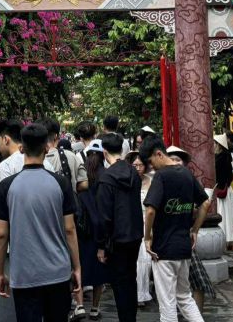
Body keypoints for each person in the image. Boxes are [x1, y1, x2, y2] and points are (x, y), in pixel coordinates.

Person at [0, 123, 82, 322]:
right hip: (58, 272)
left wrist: (0, 273)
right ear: (47, 148)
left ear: (22, 148)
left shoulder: (7, 186)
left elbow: (1, 234)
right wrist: (76, 268)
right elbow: (69, 229)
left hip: (24, 274)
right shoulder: (61, 183)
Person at [0, 119, 55, 322]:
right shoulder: (48, 165)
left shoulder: (6, 167)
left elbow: (1, 218)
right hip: (44, 248)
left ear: (6, 139)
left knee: (5, 301)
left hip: (12, 247)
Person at [140, 136, 210, 322]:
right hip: (183, 248)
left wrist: (147, 238)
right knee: (184, 297)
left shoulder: (161, 176)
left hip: (163, 249)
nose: (151, 167)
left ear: (158, 153)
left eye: (150, 162)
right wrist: (195, 230)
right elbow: (205, 203)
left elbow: (150, 211)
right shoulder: (187, 174)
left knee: (167, 304)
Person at [43, 119, 89, 321]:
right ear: (57, 135)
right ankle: (79, 303)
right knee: (72, 256)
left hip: (46, 217)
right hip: (69, 214)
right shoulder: (71, 156)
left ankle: (52, 300)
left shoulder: (37, 159)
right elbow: (84, 183)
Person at [96, 133, 143, 322]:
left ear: (104, 152)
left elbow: (104, 216)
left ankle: (126, 318)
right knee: (130, 279)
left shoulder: (106, 178)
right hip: (135, 234)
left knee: (120, 282)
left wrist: (101, 245)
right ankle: (130, 316)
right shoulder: (134, 173)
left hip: (117, 238)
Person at [165, 146, 215, 310]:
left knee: (197, 280)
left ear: (184, 163)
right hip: (162, 240)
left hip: (182, 237)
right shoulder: (160, 180)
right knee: (168, 287)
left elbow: (204, 203)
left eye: (177, 160)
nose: (174, 163)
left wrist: (195, 229)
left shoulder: (189, 181)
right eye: (171, 159)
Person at [77, 141, 108, 320]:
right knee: (98, 273)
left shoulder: (82, 178)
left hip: (82, 232)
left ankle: (80, 305)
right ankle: (95, 308)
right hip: (99, 233)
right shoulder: (105, 177)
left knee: (79, 268)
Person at [127, 152, 152, 308]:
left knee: (145, 261)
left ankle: (142, 293)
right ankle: (134, 293)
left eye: (140, 165)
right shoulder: (128, 182)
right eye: (134, 165)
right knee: (134, 261)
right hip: (132, 223)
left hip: (147, 223)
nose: (137, 168)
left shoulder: (152, 182)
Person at [212, 135, 233, 250]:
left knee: (222, 215)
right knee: (228, 216)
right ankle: (229, 240)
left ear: (219, 145)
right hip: (227, 189)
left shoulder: (220, 158)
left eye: (215, 143)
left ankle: (223, 239)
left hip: (222, 189)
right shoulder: (227, 157)